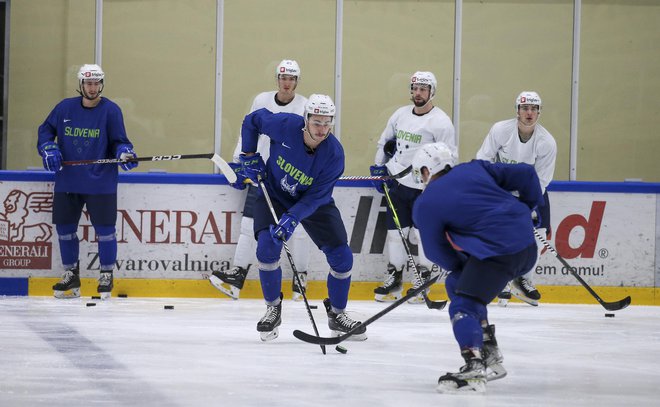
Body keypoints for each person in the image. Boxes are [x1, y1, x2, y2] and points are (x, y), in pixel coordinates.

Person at [411, 142, 544, 394]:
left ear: (427, 170)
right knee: (457, 285)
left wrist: (458, 265)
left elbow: (435, 252)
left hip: (498, 255)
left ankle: (474, 364)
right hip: (527, 247)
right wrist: (528, 206)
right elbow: (526, 173)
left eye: (420, 173)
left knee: (462, 304)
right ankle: (487, 347)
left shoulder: (425, 203)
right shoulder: (475, 168)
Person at [237, 94, 366, 342]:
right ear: (306, 119)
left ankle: (337, 315)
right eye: (317, 122)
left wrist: (293, 218)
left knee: (342, 256)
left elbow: (317, 197)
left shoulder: (334, 155)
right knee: (267, 247)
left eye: (327, 123)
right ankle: (272, 309)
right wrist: (248, 154)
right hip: (274, 193)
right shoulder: (285, 125)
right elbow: (251, 121)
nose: (322, 129)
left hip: (313, 203)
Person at [209, 59, 312, 301]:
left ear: (297, 81)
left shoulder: (305, 106)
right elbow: (248, 129)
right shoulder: (261, 100)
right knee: (248, 226)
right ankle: (237, 277)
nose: (287, 83)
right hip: (262, 174)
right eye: (283, 78)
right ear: (277, 79)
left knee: (297, 230)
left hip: (291, 177)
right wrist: (238, 162)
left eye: (291, 79)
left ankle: (300, 279)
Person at [37, 64, 138, 300]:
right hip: (68, 180)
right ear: (81, 84)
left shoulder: (111, 110)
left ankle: (106, 275)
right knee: (64, 229)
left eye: (96, 83)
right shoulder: (64, 108)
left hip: (100, 180)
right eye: (88, 83)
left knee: (105, 231)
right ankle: (71, 275)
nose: (92, 88)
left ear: (101, 84)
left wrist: (124, 152)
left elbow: (119, 141)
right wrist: (48, 148)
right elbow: (45, 131)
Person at [370, 71, 455, 303]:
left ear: (432, 92)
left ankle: (423, 276)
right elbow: (385, 141)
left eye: (423, 89)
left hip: (423, 188)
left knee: (421, 234)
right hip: (397, 182)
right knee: (395, 234)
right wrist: (379, 168)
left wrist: (440, 187)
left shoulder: (441, 122)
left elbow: (449, 157)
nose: (418, 93)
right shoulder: (400, 115)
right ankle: (395, 277)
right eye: (415, 88)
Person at [476, 91, 557, 306]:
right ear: (517, 111)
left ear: (539, 112)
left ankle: (524, 279)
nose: (529, 113)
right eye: (524, 108)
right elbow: (483, 159)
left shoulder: (546, 142)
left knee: (539, 233)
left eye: (533, 109)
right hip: (501, 190)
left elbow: (542, 179)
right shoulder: (500, 130)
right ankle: (501, 280)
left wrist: (525, 204)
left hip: (532, 191)